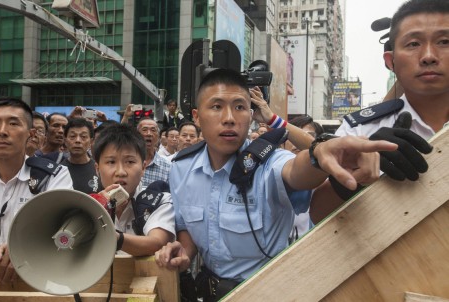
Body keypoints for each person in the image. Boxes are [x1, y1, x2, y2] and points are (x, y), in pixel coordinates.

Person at [155, 69, 398, 300]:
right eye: (217, 107)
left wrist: (319, 155)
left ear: (250, 114)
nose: (229, 118)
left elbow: (295, 170)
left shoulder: (267, 161)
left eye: (240, 107)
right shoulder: (181, 168)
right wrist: (183, 253)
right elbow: (186, 225)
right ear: (197, 116)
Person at [310, 0, 445, 224]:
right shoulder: (361, 130)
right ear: (390, 60)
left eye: (444, 41)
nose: (428, 55)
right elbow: (318, 214)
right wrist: (353, 179)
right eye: (413, 44)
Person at [0, 98, 73, 252]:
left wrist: (21, 250)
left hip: (35, 271)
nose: (2, 131)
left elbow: (63, 231)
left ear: (31, 134)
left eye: (13, 124)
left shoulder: (53, 177)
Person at [91, 123, 175, 256]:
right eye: (111, 162)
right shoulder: (88, 205)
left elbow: (157, 243)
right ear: (97, 168)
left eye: (129, 162)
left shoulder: (159, 200)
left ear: (143, 168)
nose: (121, 172)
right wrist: (95, 207)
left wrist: (113, 237)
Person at [61, 118, 100, 194]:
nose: (78, 140)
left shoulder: (99, 169)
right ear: (65, 141)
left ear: (91, 142)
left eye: (83, 136)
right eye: (72, 136)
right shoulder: (59, 171)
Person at [137, 118, 171, 187]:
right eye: (144, 130)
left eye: (153, 130)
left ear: (158, 137)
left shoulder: (168, 167)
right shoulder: (127, 163)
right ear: (136, 135)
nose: (149, 134)